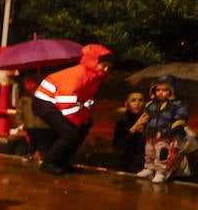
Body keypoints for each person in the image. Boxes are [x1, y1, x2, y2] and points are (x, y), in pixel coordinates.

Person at [32, 43, 114, 176]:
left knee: (80, 130)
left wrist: (84, 119)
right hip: (45, 102)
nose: (106, 69)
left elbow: (84, 99)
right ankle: (48, 163)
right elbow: (66, 101)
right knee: (70, 133)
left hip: (56, 103)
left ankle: (62, 163)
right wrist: (77, 120)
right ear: (94, 62)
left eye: (108, 67)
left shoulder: (94, 77)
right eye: (103, 65)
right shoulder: (79, 74)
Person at [133, 77, 189, 184]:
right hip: (150, 134)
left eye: (164, 90)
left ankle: (161, 172)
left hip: (165, 135)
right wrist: (143, 126)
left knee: (162, 154)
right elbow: (146, 117)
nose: (160, 93)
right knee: (149, 152)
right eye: (158, 90)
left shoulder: (176, 105)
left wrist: (174, 129)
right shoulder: (151, 104)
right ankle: (149, 169)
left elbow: (181, 118)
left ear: (171, 91)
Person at [111, 90, 149, 173]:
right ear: (126, 103)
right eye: (133, 100)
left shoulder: (148, 120)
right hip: (127, 162)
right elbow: (118, 145)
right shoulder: (123, 121)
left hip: (145, 162)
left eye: (140, 100)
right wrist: (133, 129)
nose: (137, 103)